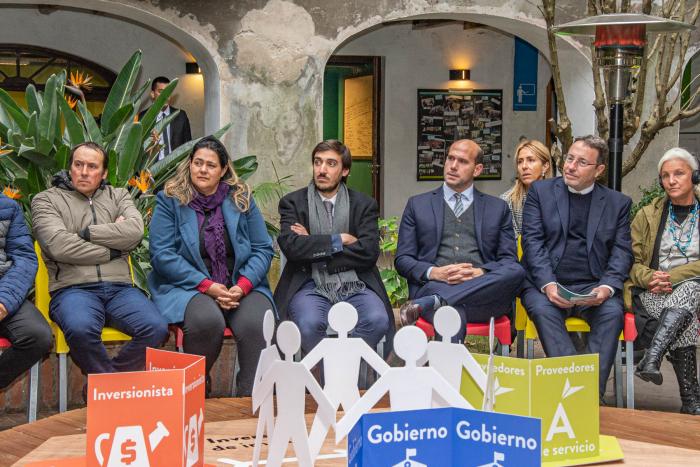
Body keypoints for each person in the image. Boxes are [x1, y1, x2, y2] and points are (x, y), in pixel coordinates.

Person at [148, 136, 274, 396]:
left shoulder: (241, 199)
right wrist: (207, 286)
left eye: (211, 165)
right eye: (198, 163)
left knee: (256, 323)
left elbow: (262, 248)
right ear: (190, 164)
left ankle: (250, 399)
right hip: (189, 286)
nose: (203, 170)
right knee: (207, 321)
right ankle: (195, 391)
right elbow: (162, 255)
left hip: (240, 284)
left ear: (224, 169)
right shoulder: (170, 199)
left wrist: (242, 286)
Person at [31, 142, 168, 377]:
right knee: (80, 329)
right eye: (78, 164)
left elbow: (134, 231)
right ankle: (109, 387)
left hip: (120, 289)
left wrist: (86, 233)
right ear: (70, 167)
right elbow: (59, 245)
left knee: (156, 328)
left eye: (92, 166)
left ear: (103, 173)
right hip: (72, 290)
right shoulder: (46, 200)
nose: (84, 172)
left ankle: (106, 383)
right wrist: (114, 249)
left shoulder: (119, 195)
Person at [520, 135, 633, 399]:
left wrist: (607, 287)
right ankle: (582, 393)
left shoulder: (618, 203)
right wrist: (548, 285)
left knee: (611, 313)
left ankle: (582, 395)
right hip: (547, 282)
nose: (570, 166)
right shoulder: (541, 192)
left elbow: (621, 251)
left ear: (599, 170)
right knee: (542, 310)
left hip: (593, 285)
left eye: (582, 162)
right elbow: (532, 242)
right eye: (570, 158)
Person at [395, 139, 525, 343]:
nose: (453, 166)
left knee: (517, 271)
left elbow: (509, 261)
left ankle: (436, 302)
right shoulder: (417, 205)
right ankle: (438, 301)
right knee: (449, 313)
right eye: (450, 158)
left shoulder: (497, 208)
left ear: (478, 169)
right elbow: (403, 259)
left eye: (463, 161)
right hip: (434, 285)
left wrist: (481, 272)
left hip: (484, 295)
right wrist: (435, 272)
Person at [274, 140, 392, 354]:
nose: (322, 170)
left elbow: (368, 253)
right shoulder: (292, 203)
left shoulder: (364, 205)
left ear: (345, 170)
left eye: (330, 164)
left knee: (377, 320)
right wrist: (340, 239)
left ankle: (348, 373)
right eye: (317, 162)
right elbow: (292, 248)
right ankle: (322, 381)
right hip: (309, 284)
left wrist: (313, 243)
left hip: (356, 283)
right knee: (309, 323)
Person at [625, 147, 700, 415]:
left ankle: (651, 356)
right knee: (684, 319)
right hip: (655, 293)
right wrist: (648, 277)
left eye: (679, 173)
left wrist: (672, 277)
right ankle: (691, 402)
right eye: (666, 176)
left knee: (690, 289)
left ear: (695, 176)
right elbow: (630, 261)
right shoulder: (647, 215)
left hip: (695, 290)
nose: (672, 180)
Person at [0, 195, 52, 390]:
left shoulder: (7, 207)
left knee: (37, 336)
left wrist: (4, 302)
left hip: (4, 288)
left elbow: (24, 258)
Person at [500, 139, 552, 236]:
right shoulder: (507, 200)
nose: (524, 166)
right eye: (520, 162)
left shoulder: (557, 197)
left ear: (545, 166)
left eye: (531, 160)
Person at [139, 76, 192, 160]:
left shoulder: (180, 115)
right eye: (161, 92)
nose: (166, 95)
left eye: (169, 92)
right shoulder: (142, 118)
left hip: (175, 168)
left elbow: (188, 145)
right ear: (152, 94)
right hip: (150, 170)